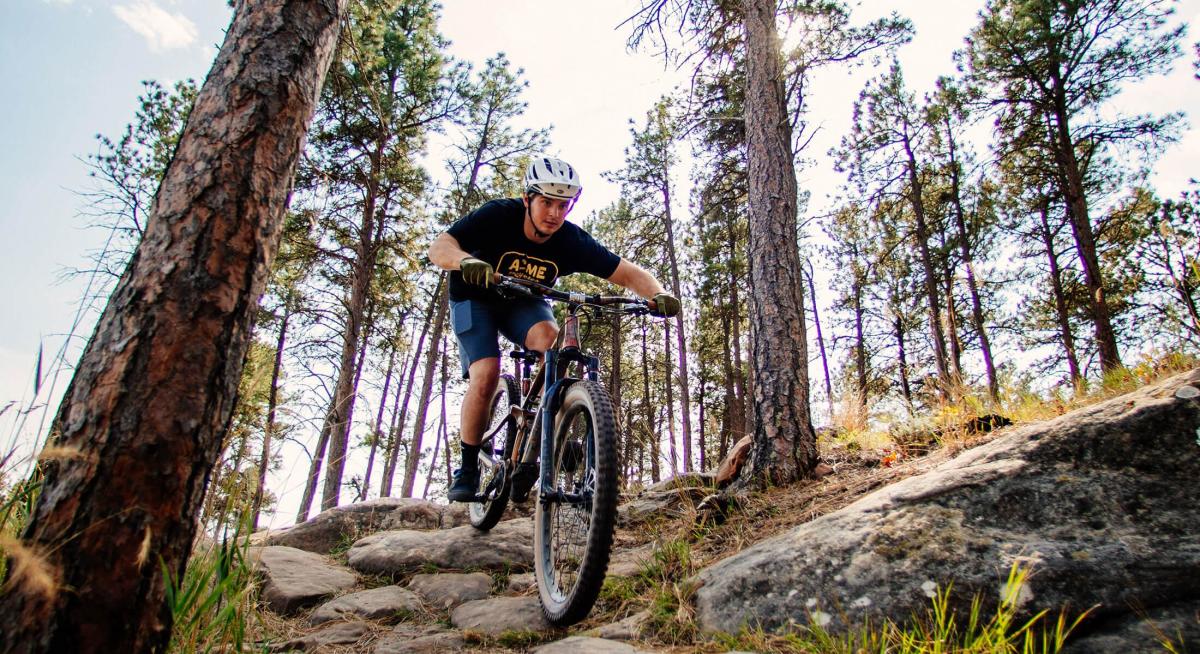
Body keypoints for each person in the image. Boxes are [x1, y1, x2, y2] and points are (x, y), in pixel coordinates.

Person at [428, 156, 680, 502]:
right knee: (486, 373)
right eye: (546, 202)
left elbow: (626, 273)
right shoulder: (497, 215)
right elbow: (440, 246)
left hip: (522, 302)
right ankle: (468, 467)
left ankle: (547, 432)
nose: (554, 214)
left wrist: (659, 293)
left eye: (563, 205)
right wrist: (465, 261)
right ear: (527, 197)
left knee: (551, 341)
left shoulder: (570, 240)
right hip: (474, 297)